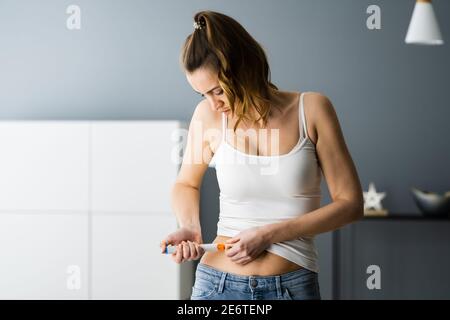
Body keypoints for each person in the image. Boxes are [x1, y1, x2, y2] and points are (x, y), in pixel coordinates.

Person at [160, 10, 363, 300]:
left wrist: (270, 234)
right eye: (202, 95)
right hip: (216, 286)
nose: (213, 104)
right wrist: (189, 226)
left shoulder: (312, 110)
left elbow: (351, 204)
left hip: (292, 287)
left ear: (243, 67)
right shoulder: (208, 117)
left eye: (218, 91)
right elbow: (186, 184)